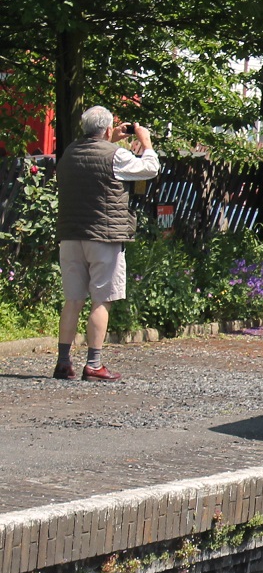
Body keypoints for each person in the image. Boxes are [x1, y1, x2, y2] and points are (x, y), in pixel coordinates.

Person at [54, 106, 159, 381]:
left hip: (70, 235)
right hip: (104, 236)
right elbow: (150, 168)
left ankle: (63, 362)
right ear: (107, 128)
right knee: (102, 299)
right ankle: (94, 364)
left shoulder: (69, 153)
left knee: (73, 300)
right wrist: (145, 141)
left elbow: (94, 160)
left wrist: (109, 140)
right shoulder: (117, 156)